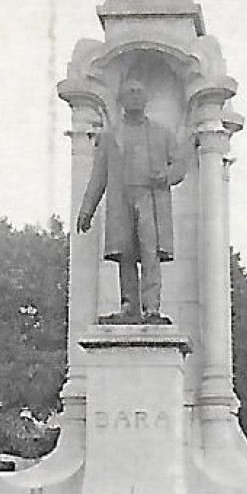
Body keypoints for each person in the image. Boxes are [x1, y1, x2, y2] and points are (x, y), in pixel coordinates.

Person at [76, 76, 189, 323]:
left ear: (146, 98)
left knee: (150, 253)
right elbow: (99, 175)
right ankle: (129, 307)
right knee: (125, 253)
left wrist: (166, 176)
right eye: (130, 92)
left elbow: (181, 163)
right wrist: (87, 210)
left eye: (139, 91)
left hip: (150, 197)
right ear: (123, 99)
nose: (135, 96)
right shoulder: (111, 136)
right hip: (121, 199)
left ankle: (152, 309)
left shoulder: (162, 133)